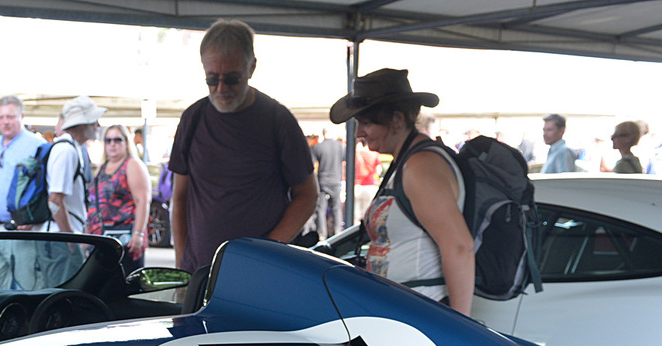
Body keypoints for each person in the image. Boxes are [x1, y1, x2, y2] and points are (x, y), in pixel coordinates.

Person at [168, 19, 317, 275]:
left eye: (232, 79)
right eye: (212, 79)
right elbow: (180, 197)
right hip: (200, 271)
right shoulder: (193, 118)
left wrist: (268, 250)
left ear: (252, 67)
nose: (221, 89)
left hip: (260, 273)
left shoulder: (277, 120)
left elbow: (307, 195)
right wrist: (182, 263)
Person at [330, 67, 474, 316]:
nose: (359, 133)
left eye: (366, 122)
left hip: (423, 313)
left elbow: (459, 247)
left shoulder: (421, 166)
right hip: (404, 312)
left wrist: (459, 328)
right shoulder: (406, 162)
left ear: (397, 119)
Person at [0, 95, 44, 289]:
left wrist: (32, 220)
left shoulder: (37, 145)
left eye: (10, 116)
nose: (5, 122)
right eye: (1, 117)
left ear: (22, 116)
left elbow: (44, 189)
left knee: (29, 288)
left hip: (20, 231)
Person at [40, 96, 101, 286]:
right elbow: (55, 200)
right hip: (61, 239)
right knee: (61, 295)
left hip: (61, 237)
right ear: (83, 124)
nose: (98, 125)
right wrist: (70, 239)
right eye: (93, 121)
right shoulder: (66, 151)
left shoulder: (71, 149)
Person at [87, 121, 150, 277]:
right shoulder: (102, 167)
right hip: (101, 241)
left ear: (126, 142)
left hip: (126, 240)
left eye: (118, 140)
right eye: (108, 140)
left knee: (125, 287)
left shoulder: (132, 165)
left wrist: (138, 233)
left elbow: (142, 201)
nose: (112, 144)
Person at [311, 127, 344, 237]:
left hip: (323, 181)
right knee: (336, 207)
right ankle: (337, 231)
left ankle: (322, 233)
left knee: (321, 208)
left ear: (323, 134)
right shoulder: (340, 147)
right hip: (336, 179)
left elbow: (312, 164)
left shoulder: (318, 147)